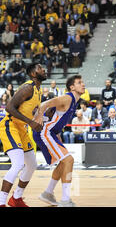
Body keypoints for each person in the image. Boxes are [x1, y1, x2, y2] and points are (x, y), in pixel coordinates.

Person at [32, 75, 84, 207]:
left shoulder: (74, 102)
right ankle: (65, 200)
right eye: (79, 83)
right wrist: (38, 118)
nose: (83, 84)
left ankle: (48, 193)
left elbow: (57, 119)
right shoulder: (68, 98)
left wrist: (58, 135)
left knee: (63, 163)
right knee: (69, 160)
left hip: (51, 133)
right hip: (45, 132)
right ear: (72, 87)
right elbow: (44, 104)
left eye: (82, 82)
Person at [0, 63, 47, 207]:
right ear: (33, 74)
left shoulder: (38, 91)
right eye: (40, 68)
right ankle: (1, 202)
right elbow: (9, 107)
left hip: (22, 128)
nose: (44, 70)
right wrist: (31, 123)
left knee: (32, 164)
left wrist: (38, 121)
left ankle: (16, 198)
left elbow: (30, 110)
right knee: (19, 163)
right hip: (10, 126)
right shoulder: (28, 87)